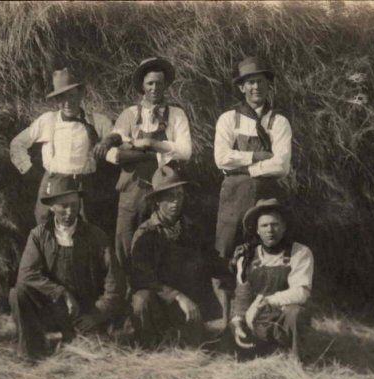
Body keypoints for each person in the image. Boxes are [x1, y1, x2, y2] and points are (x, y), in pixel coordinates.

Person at [213, 56, 293, 322]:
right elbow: (221, 158)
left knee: (262, 255)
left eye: (260, 81)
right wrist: (258, 158)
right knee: (226, 256)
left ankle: (261, 323)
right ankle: (227, 324)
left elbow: (281, 165)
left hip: (265, 197)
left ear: (268, 86)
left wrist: (245, 168)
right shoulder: (229, 119)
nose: (256, 87)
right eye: (250, 83)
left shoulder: (278, 122)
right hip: (233, 197)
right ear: (241, 88)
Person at [9, 176, 125, 360]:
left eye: (74, 204)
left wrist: (96, 315)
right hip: (53, 309)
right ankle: (31, 352)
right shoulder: (39, 235)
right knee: (18, 293)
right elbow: (26, 275)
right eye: (63, 206)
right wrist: (61, 293)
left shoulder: (96, 236)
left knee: (97, 355)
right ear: (52, 207)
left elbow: (115, 283)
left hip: (86, 311)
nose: (69, 211)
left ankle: (75, 337)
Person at [93, 57, 192, 270]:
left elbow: (185, 151)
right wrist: (152, 151)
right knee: (125, 244)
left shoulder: (177, 115)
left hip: (164, 191)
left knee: (164, 244)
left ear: (166, 85)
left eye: (159, 83)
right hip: (132, 191)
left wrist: (150, 143)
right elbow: (114, 154)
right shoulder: (129, 114)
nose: (155, 88)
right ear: (142, 86)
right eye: (150, 83)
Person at [130, 165, 232, 348]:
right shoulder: (146, 234)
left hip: (192, 300)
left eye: (179, 195)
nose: (175, 202)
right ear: (157, 202)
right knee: (141, 299)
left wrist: (232, 265)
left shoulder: (192, 228)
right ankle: (147, 347)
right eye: (169, 197)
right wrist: (177, 296)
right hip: (162, 301)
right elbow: (143, 276)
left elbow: (210, 261)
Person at [10, 67, 116, 233]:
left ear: (81, 94)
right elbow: (17, 144)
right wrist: (29, 170)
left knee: (85, 230)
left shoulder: (97, 121)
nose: (67, 102)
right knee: (45, 228)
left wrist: (106, 143)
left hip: (83, 185)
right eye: (61, 97)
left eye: (72, 95)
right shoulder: (48, 121)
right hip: (53, 182)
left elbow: (116, 136)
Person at [230, 199, 313, 361]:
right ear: (257, 230)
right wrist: (238, 323)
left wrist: (265, 301)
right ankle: (262, 349)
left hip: (283, 321)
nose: (270, 230)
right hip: (256, 322)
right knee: (231, 344)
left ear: (284, 227)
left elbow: (301, 293)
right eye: (264, 226)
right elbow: (242, 296)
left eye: (275, 224)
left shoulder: (300, 252)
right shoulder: (247, 257)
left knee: (296, 312)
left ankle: (297, 360)